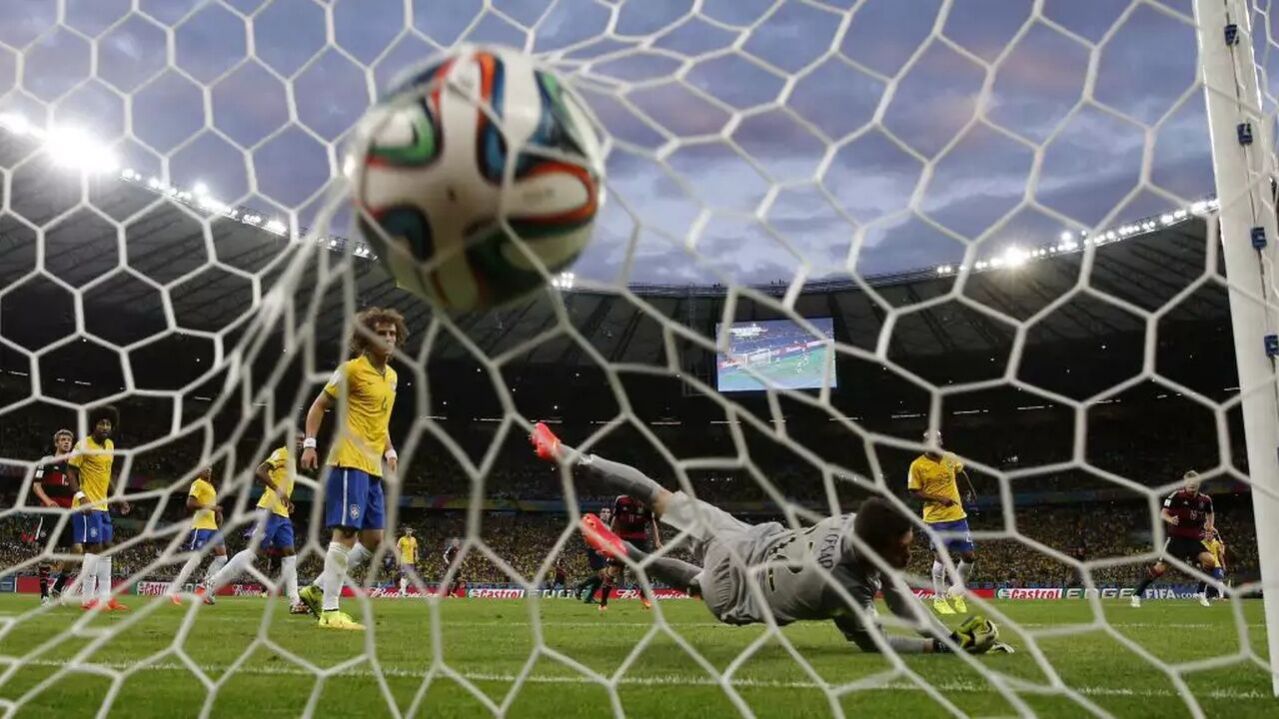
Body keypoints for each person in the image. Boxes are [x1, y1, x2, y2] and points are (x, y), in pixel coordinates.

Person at [530, 423, 1010, 655]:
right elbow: (880, 638)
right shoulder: (846, 592)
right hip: (735, 589)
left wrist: (946, 635)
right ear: (877, 549)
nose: (909, 552)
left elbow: (899, 593)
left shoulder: (852, 521)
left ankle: (567, 453)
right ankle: (629, 552)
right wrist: (941, 646)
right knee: (696, 583)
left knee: (657, 495)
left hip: (747, 537)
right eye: (903, 547)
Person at [297, 307, 406, 630]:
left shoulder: (392, 378)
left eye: (392, 333)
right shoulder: (351, 370)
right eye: (381, 333)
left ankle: (316, 590)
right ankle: (330, 612)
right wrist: (310, 443)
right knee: (345, 533)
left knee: (373, 540)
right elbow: (319, 405)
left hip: (373, 466)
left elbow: (379, 421)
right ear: (366, 338)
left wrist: (389, 450)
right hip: (349, 460)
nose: (388, 338)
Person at [203, 439, 307, 612]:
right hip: (269, 510)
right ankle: (212, 583)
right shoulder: (281, 453)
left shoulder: (292, 460)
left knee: (290, 554)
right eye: (297, 438)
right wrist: (279, 492)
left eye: (302, 440)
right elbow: (260, 470)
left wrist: (287, 501)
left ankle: (295, 602)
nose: (300, 442)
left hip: (282, 514)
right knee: (254, 551)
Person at [67, 406, 131, 612]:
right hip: (86, 506)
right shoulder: (83, 445)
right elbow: (70, 471)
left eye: (108, 424)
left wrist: (118, 498)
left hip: (103, 506)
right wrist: (81, 497)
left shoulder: (110, 445)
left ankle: (105, 597)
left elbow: (107, 476)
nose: (105, 427)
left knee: (108, 547)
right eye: (101, 423)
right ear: (93, 425)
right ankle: (87, 599)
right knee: (94, 548)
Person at [907, 430, 976, 615]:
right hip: (936, 519)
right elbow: (914, 492)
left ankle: (957, 591)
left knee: (969, 557)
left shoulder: (950, 458)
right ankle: (939, 599)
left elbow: (962, 473)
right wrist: (938, 498)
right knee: (942, 557)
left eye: (937, 440)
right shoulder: (917, 465)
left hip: (958, 516)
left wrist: (971, 490)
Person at [1130, 471, 1220, 608]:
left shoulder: (1205, 500)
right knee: (1159, 569)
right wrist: (1170, 519)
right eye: (1189, 483)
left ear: (1199, 484)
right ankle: (1137, 595)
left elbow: (1210, 513)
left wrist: (1210, 526)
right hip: (1176, 539)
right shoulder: (1176, 496)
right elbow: (1163, 513)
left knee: (1210, 561)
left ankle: (1201, 592)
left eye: (1195, 484)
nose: (1192, 486)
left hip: (1194, 540)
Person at [167, 467, 228, 605]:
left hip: (213, 527)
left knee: (222, 557)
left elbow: (212, 505)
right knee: (196, 559)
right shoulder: (197, 483)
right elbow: (190, 503)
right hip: (201, 526)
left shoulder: (211, 487)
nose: (209, 471)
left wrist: (217, 513)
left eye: (210, 469)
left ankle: (203, 589)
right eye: (205, 469)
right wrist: (212, 508)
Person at [32, 429, 77, 605]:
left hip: (70, 514)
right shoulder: (47, 461)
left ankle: (58, 588)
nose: (66, 442)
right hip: (51, 513)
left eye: (69, 440)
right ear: (56, 443)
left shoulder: (75, 464)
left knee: (76, 550)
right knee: (46, 552)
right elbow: (36, 486)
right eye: (63, 439)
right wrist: (48, 501)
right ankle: (44, 594)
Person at [610, 494, 662, 609]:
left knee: (647, 567)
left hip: (640, 540)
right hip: (623, 539)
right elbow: (615, 518)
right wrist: (611, 536)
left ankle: (644, 596)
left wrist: (657, 541)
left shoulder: (646, 503)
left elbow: (652, 522)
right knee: (615, 569)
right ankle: (604, 599)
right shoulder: (621, 500)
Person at [574, 507, 612, 604]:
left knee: (601, 577)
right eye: (603, 512)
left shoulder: (609, 527)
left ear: (610, 515)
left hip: (604, 552)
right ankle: (580, 586)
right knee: (604, 574)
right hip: (595, 551)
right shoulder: (595, 523)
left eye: (608, 512)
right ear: (600, 514)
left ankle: (589, 597)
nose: (606, 514)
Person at [1200, 528, 1227, 600]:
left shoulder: (1216, 543)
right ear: (1205, 535)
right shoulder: (1202, 543)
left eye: (1210, 534)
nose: (1208, 535)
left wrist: (1223, 564)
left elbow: (1221, 555)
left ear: (1212, 535)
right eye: (1207, 534)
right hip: (1206, 565)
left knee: (1219, 580)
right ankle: (1204, 597)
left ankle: (1221, 597)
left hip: (1216, 565)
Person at [396, 528, 419, 596]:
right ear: (405, 532)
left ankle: (401, 590)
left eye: (410, 531)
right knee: (404, 576)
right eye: (407, 531)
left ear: (412, 532)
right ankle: (404, 592)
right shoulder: (402, 539)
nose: (409, 532)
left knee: (411, 577)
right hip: (404, 560)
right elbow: (398, 548)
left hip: (411, 560)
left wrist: (416, 556)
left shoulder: (414, 539)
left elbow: (416, 548)